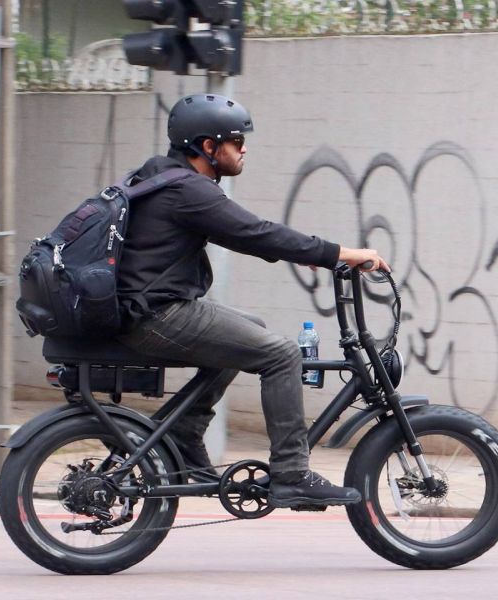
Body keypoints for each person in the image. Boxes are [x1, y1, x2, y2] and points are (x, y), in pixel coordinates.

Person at [114, 93, 390, 509]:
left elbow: (250, 234)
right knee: (280, 354)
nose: (244, 150)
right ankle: (292, 474)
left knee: (251, 328)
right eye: (236, 142)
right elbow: (255, 232)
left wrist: (309, 254)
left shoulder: (159, 177)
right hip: (155, 315)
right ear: (208, 147)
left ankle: (184, 429)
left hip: (143, 308)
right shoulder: (188, 190)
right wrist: (339, 254)